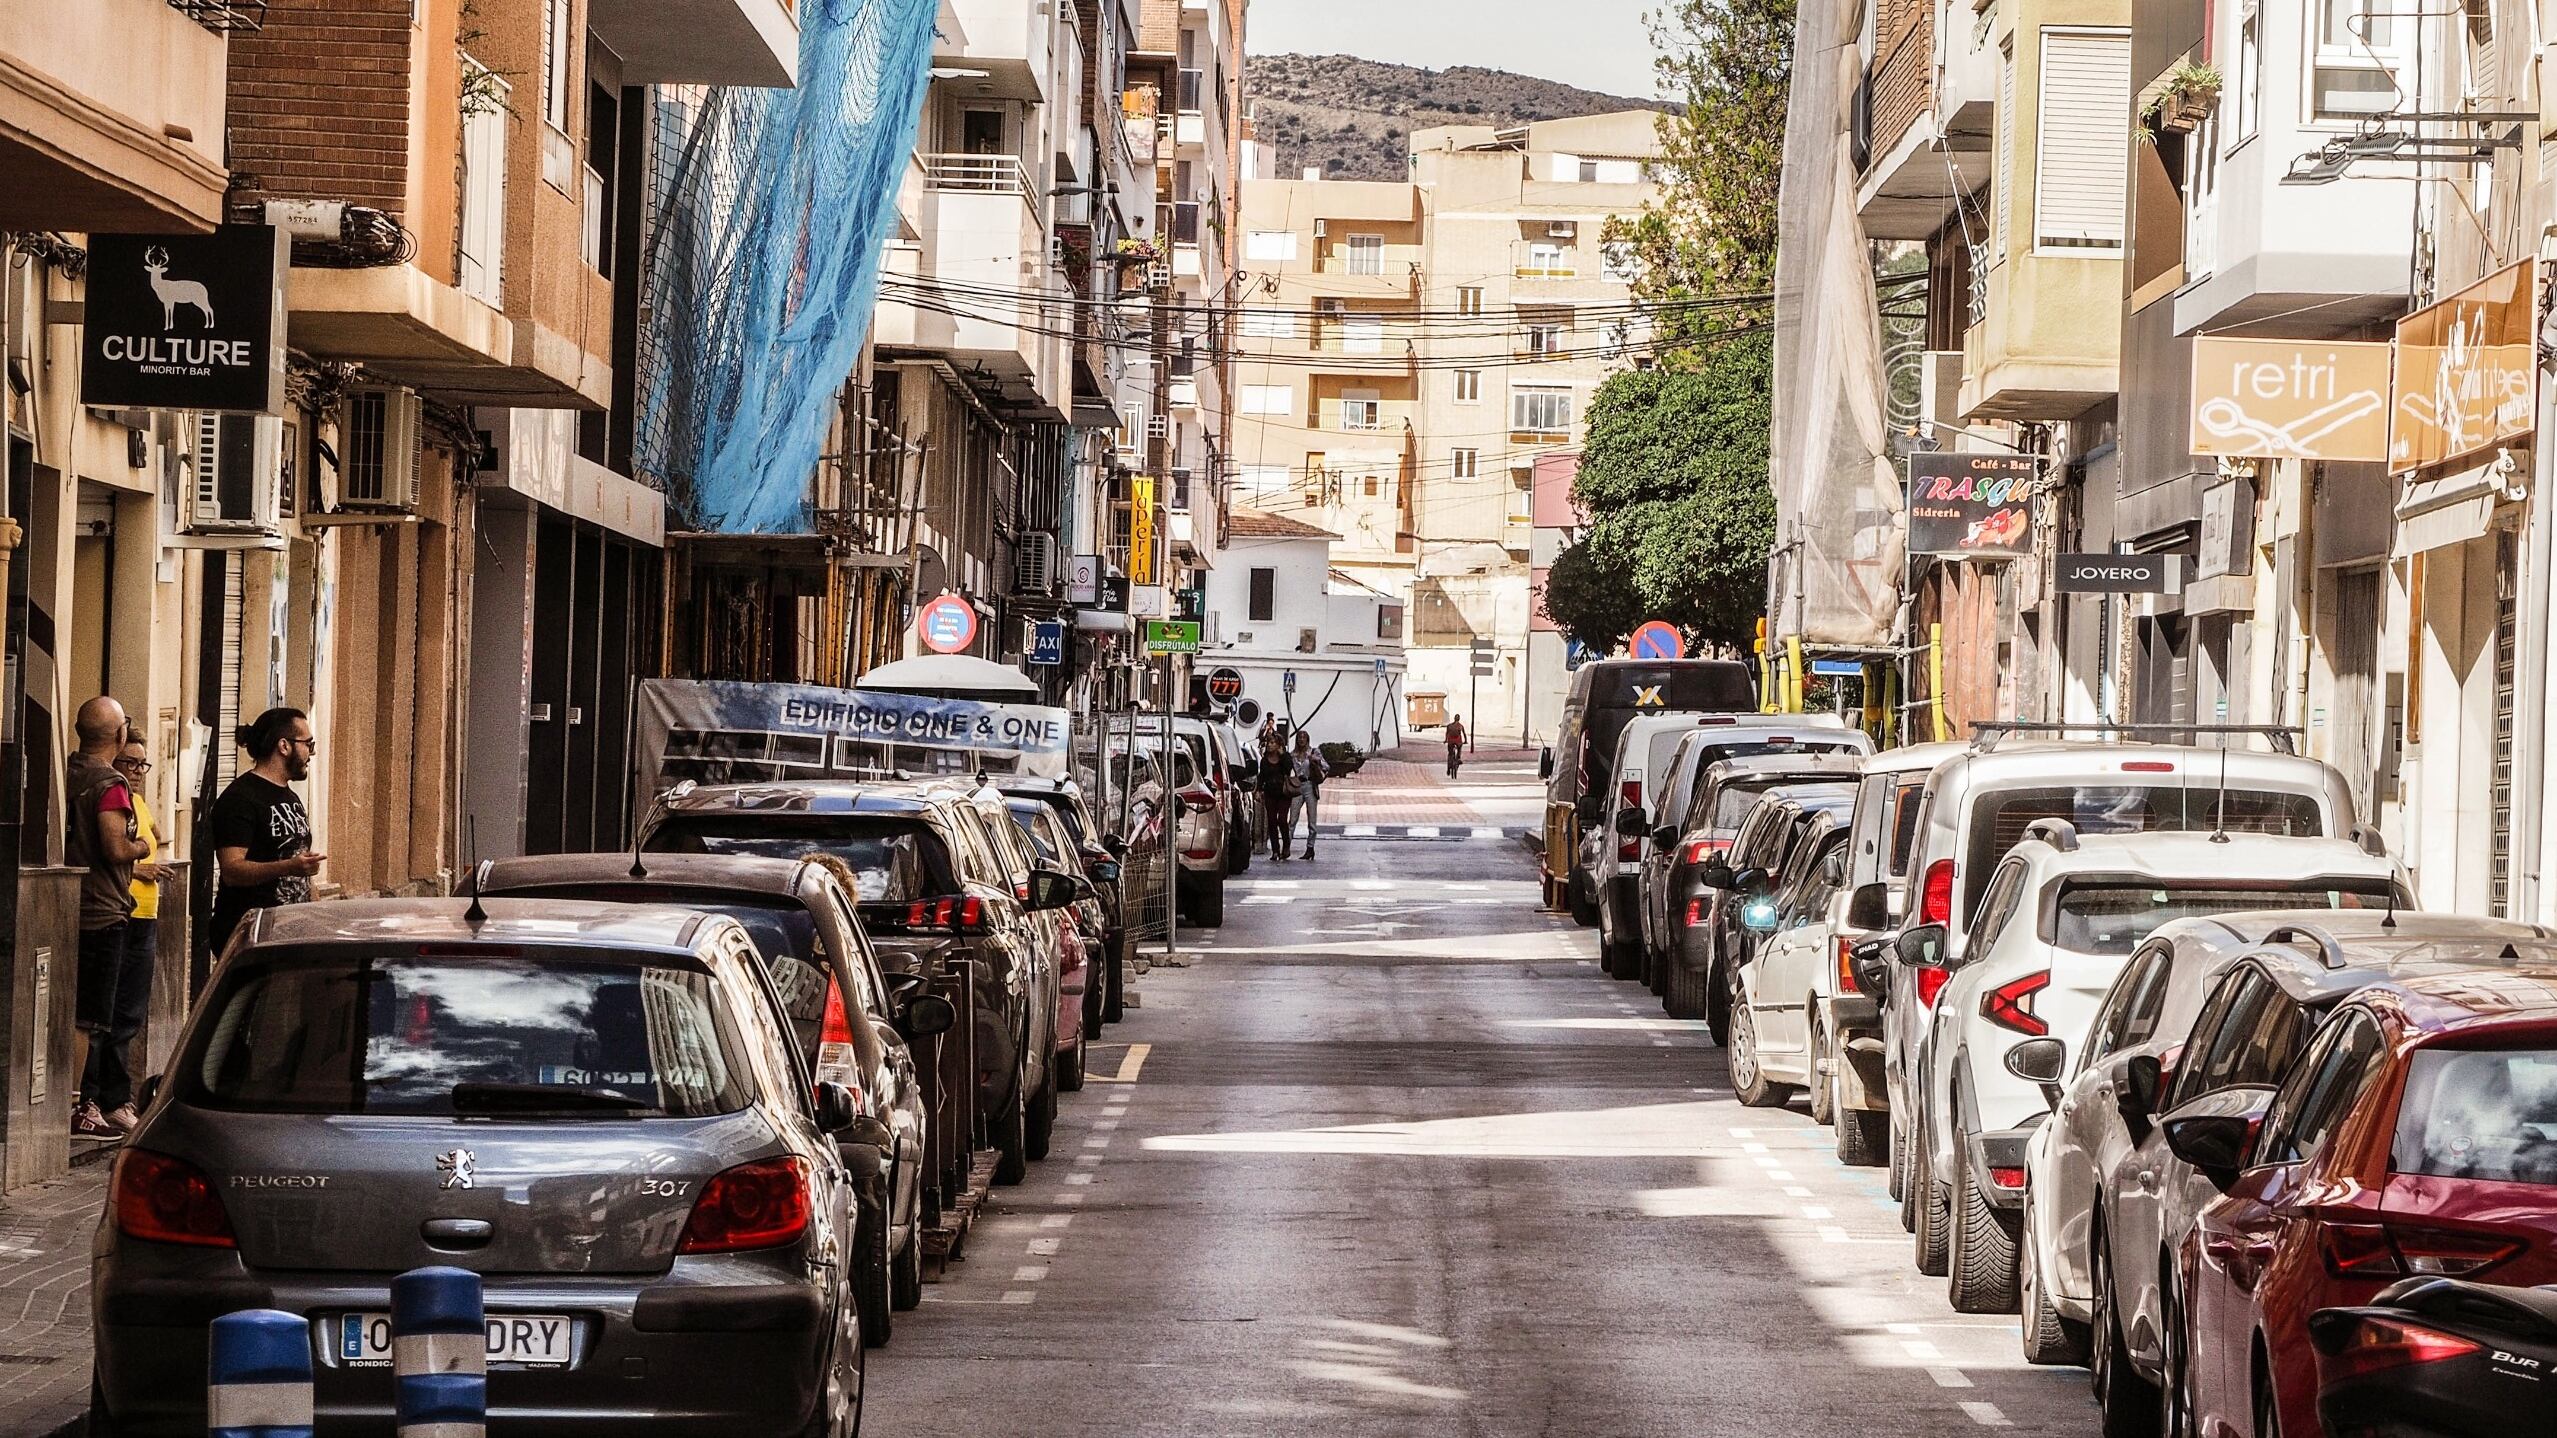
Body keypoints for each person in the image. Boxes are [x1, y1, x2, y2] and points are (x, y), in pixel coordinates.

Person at [66, 696, 148, 1138]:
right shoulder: (110, 784)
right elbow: (117, 846)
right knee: (91, 1017)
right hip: (102, 910)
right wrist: (143, 847)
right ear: (118, 736)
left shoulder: (67, 772)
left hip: (68, 907)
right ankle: (79, 1107)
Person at [207, 707, 325, 956]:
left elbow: (299, 864)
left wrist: (318, 915)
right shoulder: (240, 798)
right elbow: (232, 870)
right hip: (253, 936)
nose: (311, 753)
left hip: (291, 932)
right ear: (284, 746)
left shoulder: (290, 796)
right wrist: (289, 867)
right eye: (308, 744)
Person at [100, 730, 164, 1134]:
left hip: (148, 913)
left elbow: (154, 836)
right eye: (131, 763)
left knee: (131, 1012)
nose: (138, 772)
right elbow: (113, 852)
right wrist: (139, 864)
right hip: (123, 912)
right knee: (116, 1014)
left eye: (143, 764)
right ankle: (111, 1098)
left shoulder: (135, 801)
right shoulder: (112, 798)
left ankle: (118, 1096)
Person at [1289, 732, 1331, 860]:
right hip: (1297, 785)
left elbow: (1326, 766)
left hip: (1310, 785)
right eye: (1299, 738)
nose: (1301, 740)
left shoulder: (1313, 752)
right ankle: (1286, 846)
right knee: (1292, 819)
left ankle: (1310, 847)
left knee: (1311, 819)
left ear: (1307, 740)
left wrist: (1315, 760)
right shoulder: (1292, 755)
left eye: (1304, 738)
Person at [1257, 726, 1293, 860]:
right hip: (1270, 792)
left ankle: (1286, 846)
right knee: (1272, 821)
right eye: (1268, 743)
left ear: (1278, 744)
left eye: (1272, 743)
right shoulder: (1264, 760)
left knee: (1282, 819)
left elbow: (1288, 769)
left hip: (1283, 792)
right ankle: (1275, 850)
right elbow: (1261, 776)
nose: (1270, 745)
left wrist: (1282, 755)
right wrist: (1258, 790)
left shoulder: (1285, 757)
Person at [1445, 714, 1467, 779]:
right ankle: (1458, 758)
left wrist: (1446, 740)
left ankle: (1449, 767)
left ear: (1454, 718)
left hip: (1450, 741)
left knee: (1450, 753)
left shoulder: (1449, 726)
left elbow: (1447, 733)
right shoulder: (1461, 726)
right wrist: (1465, 741)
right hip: (1458, 742)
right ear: (1459, 719)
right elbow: (1464, 734)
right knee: (1459, 748)